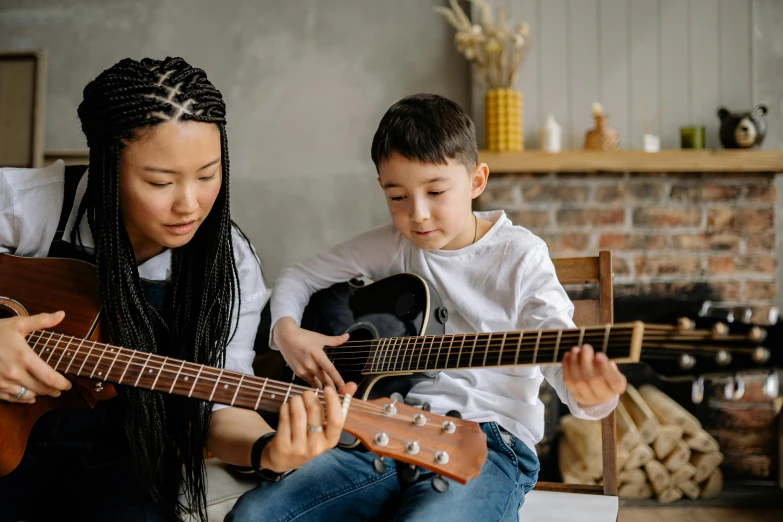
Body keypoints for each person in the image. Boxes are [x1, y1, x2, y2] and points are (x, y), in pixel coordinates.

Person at [227, 93, 628, 521]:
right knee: (256, 515)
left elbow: (560, 360)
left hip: (489, 443)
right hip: (381, 430)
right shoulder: (396, 244)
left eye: (436, 191)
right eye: (397, 197)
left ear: (476, 181)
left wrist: (593, 398)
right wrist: (287, 334)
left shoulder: (521, 255)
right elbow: (298, 276)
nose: (417, 215)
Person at [0, 56, 353, 522]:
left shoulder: (230, 263)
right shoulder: (25, 206)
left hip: (124, 469)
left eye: (208, 176)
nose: (189, 204)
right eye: (160, 182)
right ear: (107, 166)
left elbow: (221, 410)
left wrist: (268, 450)